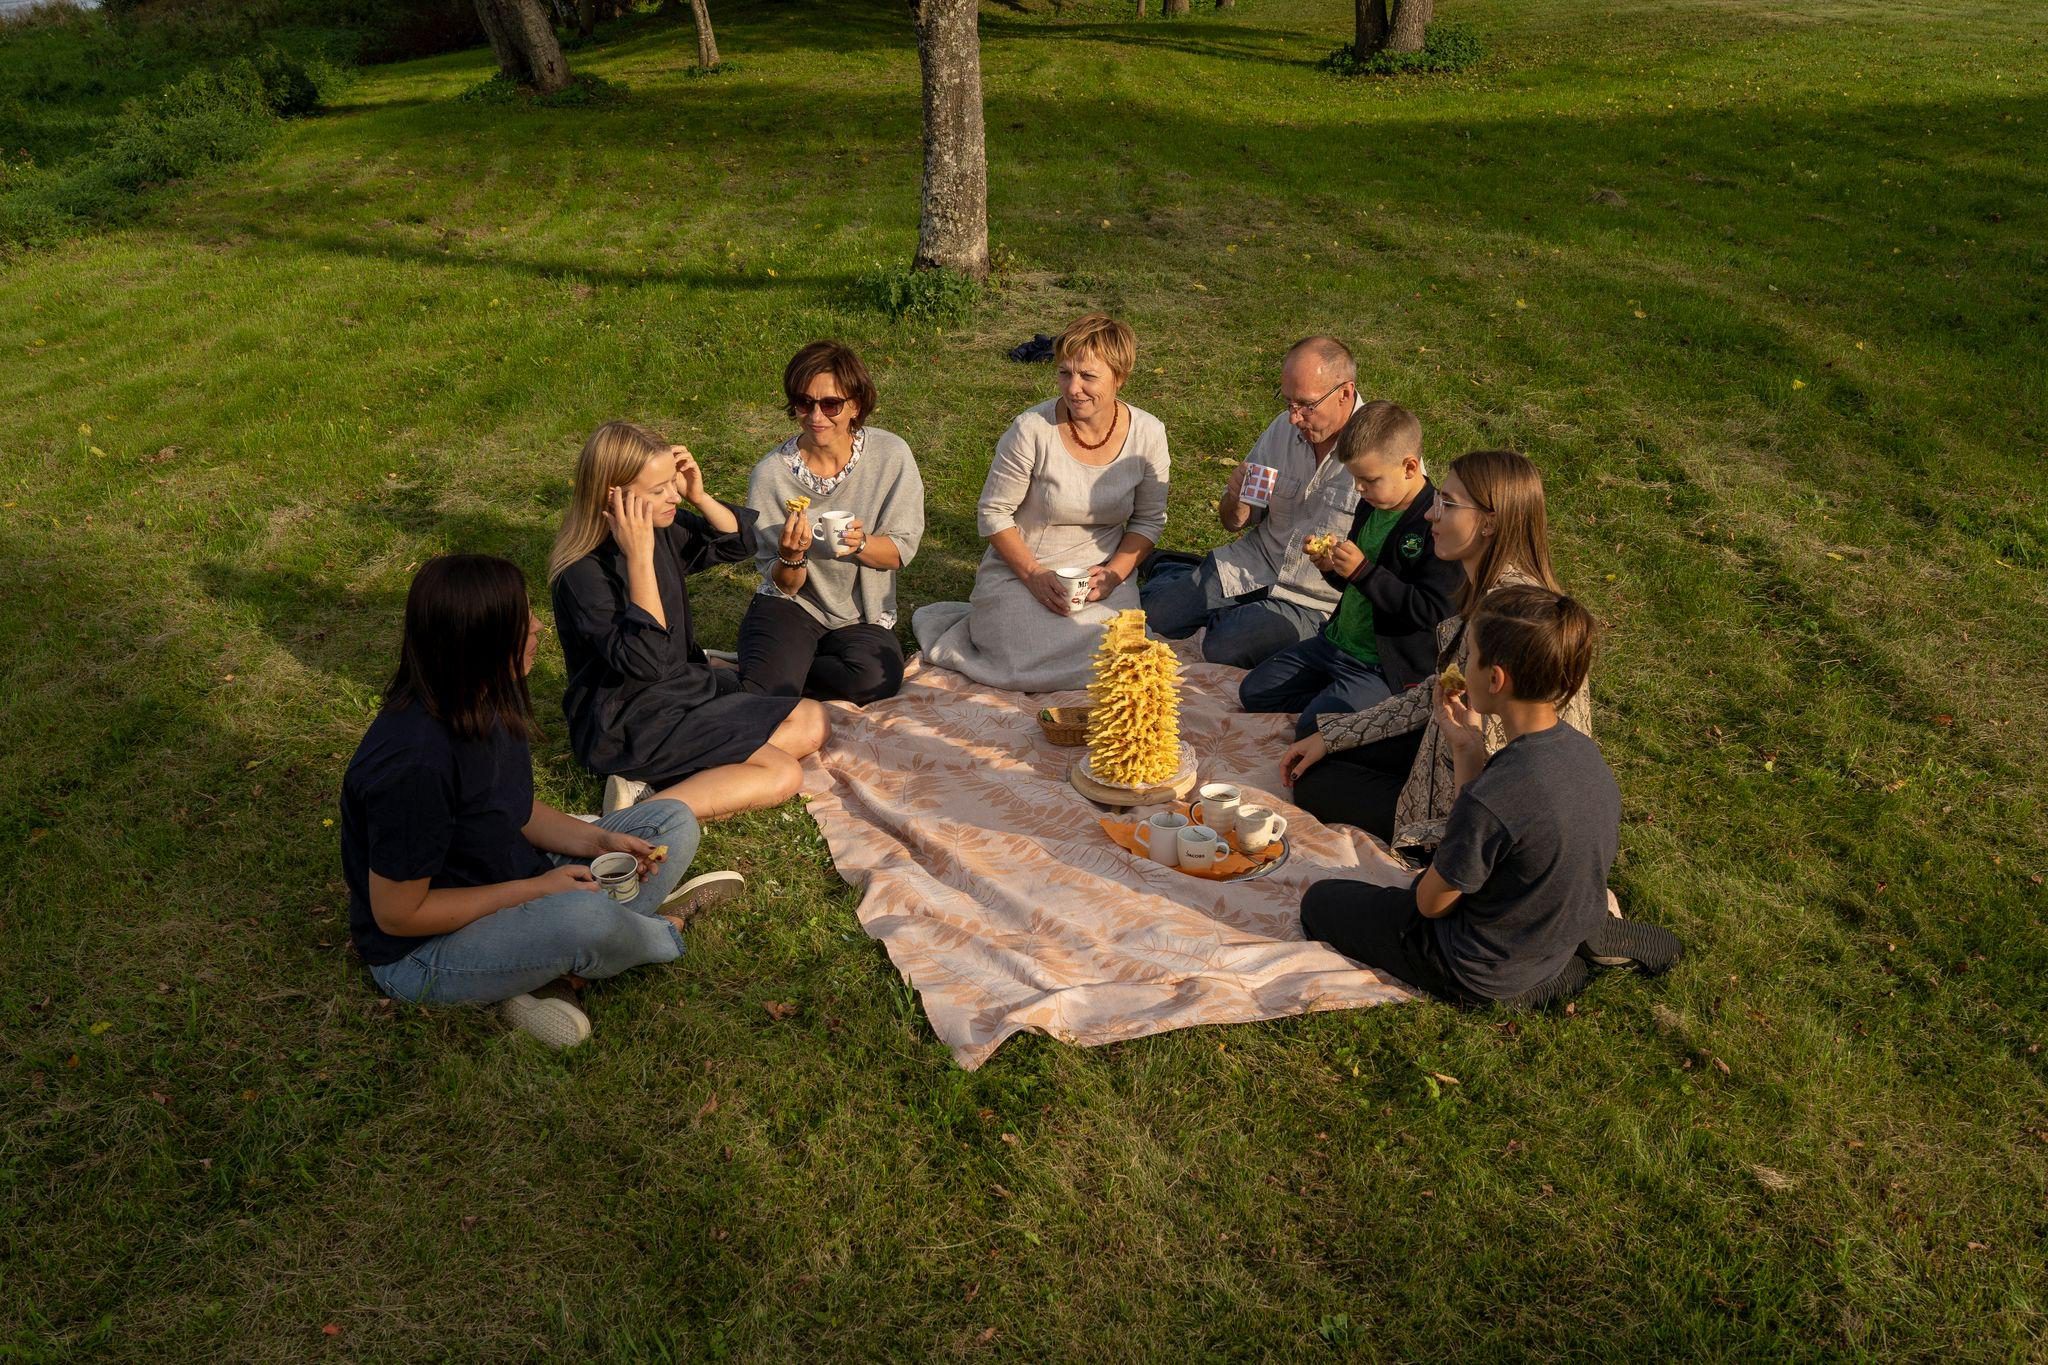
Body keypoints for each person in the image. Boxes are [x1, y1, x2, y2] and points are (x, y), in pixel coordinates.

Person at [341, 555, 743, 1049]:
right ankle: (664, 928)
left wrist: (600, 840)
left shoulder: (485, 694)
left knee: (672, 820)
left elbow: (517, 809)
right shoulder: (413, 767)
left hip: (507, 877)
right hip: (425, 952)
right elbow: (399, 915)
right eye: (521, 619)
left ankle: (538, 971)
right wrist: (539, 892)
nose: (537, 626)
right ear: (478, 639)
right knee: (587, 919)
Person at [1299, 586, 1683, 1009]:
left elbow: (1431, 905)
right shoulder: (1581, 752)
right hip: (1550, 921)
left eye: (1471, 657)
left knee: (1321, 902)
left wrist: (1431, 880)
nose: (1464, 667)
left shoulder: (1497, 793)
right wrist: (1467, 748)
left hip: (1475, 966)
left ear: (1495, 678)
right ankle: (1582, 935)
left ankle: (1528, 985)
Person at [1279, 449, 1588, 853]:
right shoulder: (1494, 592)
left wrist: (1437, 836)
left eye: (1448, 504)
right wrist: (1333, 736)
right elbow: (1439, 691)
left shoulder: (1505, 619)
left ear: (1490, 522)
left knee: (1316, 783)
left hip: (1467, 802)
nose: (1429, 515)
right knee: (1317, 741)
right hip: (1448, 749)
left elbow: (1495, 773)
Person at [549, 420, 828, 819]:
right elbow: (646, 662)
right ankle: (630, 820)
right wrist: (639, 557)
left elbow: (736, 545)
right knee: (782, 773)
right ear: (614, 496)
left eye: (673, 482)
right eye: (658, 489)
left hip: (683, 692)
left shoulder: (661, 525)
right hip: (629, 723)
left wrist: (699, 495)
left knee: (813, 719)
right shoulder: (583, 573)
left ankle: (653, 785)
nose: (673, 496)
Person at [912, 314, 1170, 692]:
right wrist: (1034, 576)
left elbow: (1148, 520)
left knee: (1115, 657)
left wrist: (1114, 574)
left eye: (1088, 376)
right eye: (1065, 373)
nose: (1073, 388)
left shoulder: (1148, 433)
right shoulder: (1031, 429)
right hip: (1024, 568)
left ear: (1120, 376)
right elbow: (993, 512)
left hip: (1100, 575)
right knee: (1019, 655)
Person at [1238, 401, 1461, 738]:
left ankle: (1371, 705)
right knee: (1254, 692)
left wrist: (1362, 572)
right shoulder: (1372, 504)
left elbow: (1431, 611)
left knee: (1313, 728)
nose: (1358, 488)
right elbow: (1355, 587)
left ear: (1410, 467)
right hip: (1335, 643)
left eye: (1369, 480)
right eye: (1356, 478)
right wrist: (1332, 568)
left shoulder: (1435, 526)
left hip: (1380, 664)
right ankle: (1339, 701)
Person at [1140, 336, 1363, 669]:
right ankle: (1175, 570)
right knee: (1153, 616)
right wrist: (1236, 499)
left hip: (1312, 599)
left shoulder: (1378, 446)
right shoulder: (1283, 429)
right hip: (1254, 564)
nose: (1293, 417)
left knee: (1226, 645)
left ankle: (1211, 600)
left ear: (1344, 393)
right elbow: (1234, 522)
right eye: (1288, 402)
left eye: (1306, 405)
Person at [737, 341, 924, 705]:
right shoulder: (770, 476)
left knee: (874, 680)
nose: (816, 416)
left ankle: (777, 668)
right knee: (768, 695)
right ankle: (771, 671)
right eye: (804, 402)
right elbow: (783, 585)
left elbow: (899, 553)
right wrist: (792, 557)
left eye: (830, 404)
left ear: (856, 405)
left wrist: (861, 543)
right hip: (793, 606)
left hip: (860, 616)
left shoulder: (891, 456)